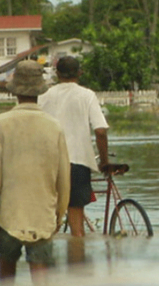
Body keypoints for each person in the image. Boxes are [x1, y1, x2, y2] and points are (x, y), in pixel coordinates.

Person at [0, 60, 71, 284]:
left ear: (15, 91)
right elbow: (63, 177)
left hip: (8, 216)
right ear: (40, 91)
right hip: (42, 215)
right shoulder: (54, 126)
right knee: (41, 282)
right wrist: (59, 214)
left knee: (7, 281)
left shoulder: (2, 123)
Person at [39, 56, 109, 237]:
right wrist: (104, 161)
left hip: (49, 163)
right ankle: (78, 252)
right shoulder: (87, 95)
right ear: (80, 73)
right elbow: (100, 131)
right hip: (78, 162)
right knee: (76, 223)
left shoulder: (44, 96)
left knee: (47, 218)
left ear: (57, 73)